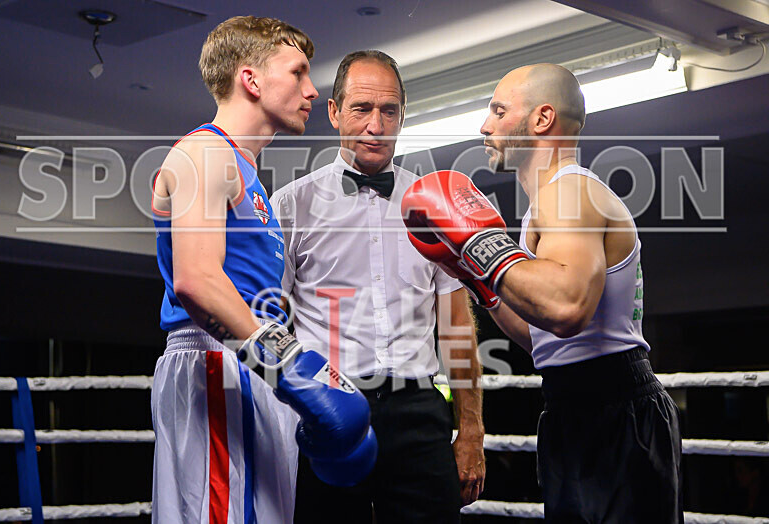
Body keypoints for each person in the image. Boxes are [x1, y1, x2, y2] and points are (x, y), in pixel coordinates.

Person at [401, 63, 683, 522]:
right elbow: (541, 337)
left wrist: (479, 245)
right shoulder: (543, 207)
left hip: (613, 406)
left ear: (542, 119)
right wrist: (473, 273)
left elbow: (566, 307)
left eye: (499, 110)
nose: (485, 125)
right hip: (573, 402)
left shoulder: (569, 192)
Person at [150, 17, 377, 524]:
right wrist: (288, 364)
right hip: (218, 361)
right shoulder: (204, 153)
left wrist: (286, 365)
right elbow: (196, 280)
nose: (312, 90)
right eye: (297, 73)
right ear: (251, 81)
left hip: (252, 363)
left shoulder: (250, 177)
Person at [270, 50, 486, 523]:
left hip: (420, 413)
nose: (376, 124)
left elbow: (454, 325)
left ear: (403, 117)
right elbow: (267, 322)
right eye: (361, 109)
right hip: (328, 408)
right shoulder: (290, 206)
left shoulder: (436, 207)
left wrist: (470, 429)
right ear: (333, 112)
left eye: (389, 111)